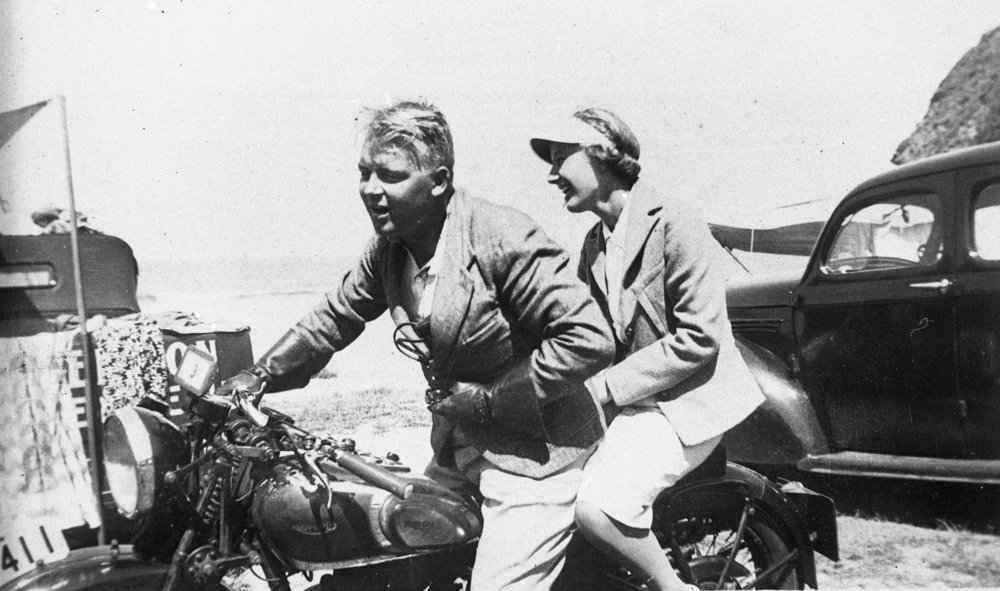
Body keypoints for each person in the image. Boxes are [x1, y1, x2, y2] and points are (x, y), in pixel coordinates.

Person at [219, 99, 614, 591]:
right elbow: (336, 315)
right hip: (457, 449)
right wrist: (259, 375)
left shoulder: (501, 236)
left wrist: (494, 399)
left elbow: (589, 337)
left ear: (440, 181)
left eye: (389, 176)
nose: (370, 190)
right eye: (364, 173)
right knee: (389, 556)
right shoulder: (392, 246)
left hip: (537, 458)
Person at [530, 108, 765, 590]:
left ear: (602, 155)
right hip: (636, 407)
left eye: (559, 158)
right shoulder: (595, 242)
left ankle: (672, 588)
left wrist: (603, 389)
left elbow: (699, 338)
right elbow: (587, 336)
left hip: (688, 406)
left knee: (597, 508)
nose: (552, 174)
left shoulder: (675, 222)